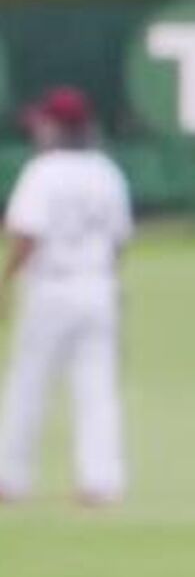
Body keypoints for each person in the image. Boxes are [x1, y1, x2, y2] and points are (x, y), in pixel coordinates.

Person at [0, 85, 134, 505]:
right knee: (97, 387)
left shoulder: (44, 171)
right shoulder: (106, 171)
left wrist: (5, 281)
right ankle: (101, 481)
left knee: (29, 382)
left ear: (58, 127)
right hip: (97, 284)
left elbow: (26, 234)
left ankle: (10, 477)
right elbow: (118, 240)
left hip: (51, 287)